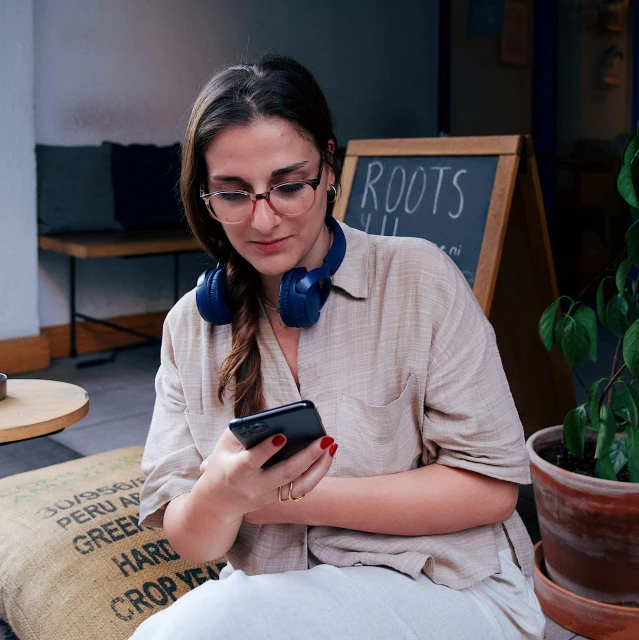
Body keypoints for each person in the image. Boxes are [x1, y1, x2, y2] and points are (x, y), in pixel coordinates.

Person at [131, 54, 545, 639]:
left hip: (448, 588)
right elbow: (192, 539)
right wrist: (221, 499)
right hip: (281, 595)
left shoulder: (420, 280)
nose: (263, 218)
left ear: (329, 166)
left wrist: (279, 504)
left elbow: (492, 490)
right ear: (203, 195)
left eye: (288, 185)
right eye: (232, 193)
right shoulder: (190, 328)